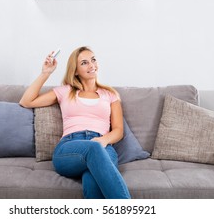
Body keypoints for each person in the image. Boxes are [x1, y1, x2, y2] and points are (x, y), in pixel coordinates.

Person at [19, 46, 131, 199]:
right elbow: (26, 101)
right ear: (76, 70)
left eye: (93, 60)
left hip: (103, 146)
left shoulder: (110, 95)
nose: (92, 65)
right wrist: (46, 73)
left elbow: (118, 130)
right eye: (84, 63)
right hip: (70, 147)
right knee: (93, 148)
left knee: (92, 180)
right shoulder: (66, 91)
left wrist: (103, 140)